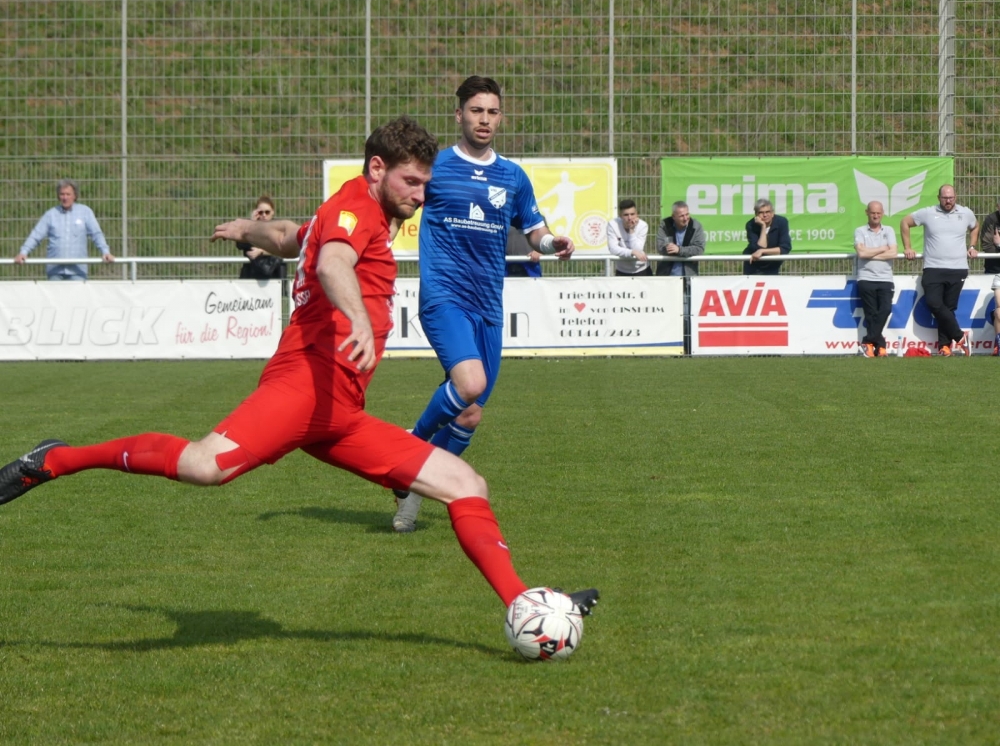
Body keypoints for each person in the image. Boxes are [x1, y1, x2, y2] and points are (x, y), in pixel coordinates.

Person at [0, 116, 598, 624]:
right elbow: (334, 261)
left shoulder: (352, 209)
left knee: (466, 485)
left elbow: (293, 236)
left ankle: (524, 604)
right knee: (205, 467)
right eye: (412, 182)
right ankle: (52, 460)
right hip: (302, 387)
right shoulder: (357, 212)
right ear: (376, 170)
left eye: (425, 183)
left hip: (340, 414)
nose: (421, 194)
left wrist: (247, 229)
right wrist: (358, 319)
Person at [391, 76, 574, 533]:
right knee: (469, 383)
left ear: (501, 116)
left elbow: (535, 230)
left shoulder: (512, 176)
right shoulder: (434, 167)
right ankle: (405, 453)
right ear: (459, 115)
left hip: (489, 304)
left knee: (470, 411)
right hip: (444, 295)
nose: (485, 119)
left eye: (492, 112)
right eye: (476, 111)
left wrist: (553, 243)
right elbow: (395, 207)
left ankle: (413, 487)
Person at [901, 184, 979, 356]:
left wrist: (972, 245)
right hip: (933, 267)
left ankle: (944, 346)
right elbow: (905, 222)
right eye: (945, 198)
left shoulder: (965, 213)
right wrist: (907, 247)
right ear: (939, 198)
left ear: (955, 197)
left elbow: (975, 226)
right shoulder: (928, 213)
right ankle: (960, 336)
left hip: (958, 268)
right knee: (934, 304)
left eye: (951, 197)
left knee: (948, 308)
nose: (948, 201)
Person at [15, 178, 114, 280]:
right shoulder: (50, 215)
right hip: (55, 271)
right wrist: (24, 252)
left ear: (75, 195)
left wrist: (105, 252)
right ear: (58, 196)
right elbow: (36, 235)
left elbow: (96, 234)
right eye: (62, 194)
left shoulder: (85, 212)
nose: (65, 197)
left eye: (68, 194)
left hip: (77, 271)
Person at [854, 201, 898, 358]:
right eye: (873, 212)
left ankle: (867, 342)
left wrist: (870, 252)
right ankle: (879, 347)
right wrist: (882, 249)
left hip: (885, 278)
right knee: (871, 313)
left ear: (883, 213)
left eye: (879, 213)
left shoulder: (889, 230)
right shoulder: (860, 231)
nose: (876, 215)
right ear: (867, 212)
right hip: (866, 277)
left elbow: (893, 253)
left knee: (885, 310)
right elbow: (862, 254)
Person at [237, 195, 284, 280]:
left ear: (272, 212)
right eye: (260, 212)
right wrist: (251, 223)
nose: (264, 215)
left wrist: (262, 251)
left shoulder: (279, 228)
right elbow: (240, 244)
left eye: (267, 212)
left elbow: (283, 247)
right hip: (251, 275)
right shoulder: (250, 228)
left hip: (273, 277)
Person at [655, 200, 706, 276]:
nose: (685, 218)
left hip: (689, 277)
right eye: (681, 216)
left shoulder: (696, 226)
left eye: (687, 214)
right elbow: (660, 247)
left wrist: (679, 250)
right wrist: (669, 249)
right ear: (673, 217)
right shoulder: (665, 225)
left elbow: (699, 249)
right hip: (666, 276)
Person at [743, 198, 791, 275]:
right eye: (761, 212)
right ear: (756, 214)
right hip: (753, 267)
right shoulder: (750, 225)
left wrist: (762, 251)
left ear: (772, 213)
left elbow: (785, 248)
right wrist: (763, 227)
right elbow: (759, 248)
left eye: (767, 212)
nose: (765, 215)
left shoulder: (782, 222)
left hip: (773, 267)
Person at [977, 198, 1000, 355]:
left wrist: (999, 245)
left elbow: (995, 245)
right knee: (998, 310)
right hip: (995, 270)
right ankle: (998, 344)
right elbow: (987, 246)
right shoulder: (991, 220)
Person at [606, 199, 650, 276]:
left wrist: (631, 230)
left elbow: (638, 249)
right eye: (626, 215)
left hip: (642, 269)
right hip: (622, 270)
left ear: (637, 214)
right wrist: (631, 252)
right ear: (620, 215)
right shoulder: (612, 225)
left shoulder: (643, 225)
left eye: (632, 214)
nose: (630, 218)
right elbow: (613, 249)